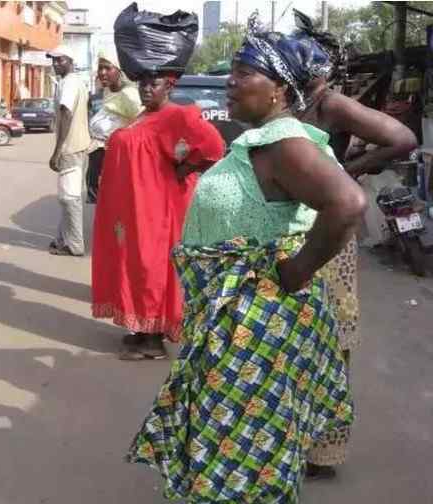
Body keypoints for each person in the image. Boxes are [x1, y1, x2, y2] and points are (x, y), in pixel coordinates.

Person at [126, 16, 367, 503]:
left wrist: (297, 270)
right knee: (234, 449)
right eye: (231, 70)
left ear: (278, 89)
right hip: (233, 320)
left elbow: (348, 203)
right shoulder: (261, 143)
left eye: (244, 72)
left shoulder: (284, 145)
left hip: (256, 328)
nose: (229, 82)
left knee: (242, 455)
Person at [292, 10, 418, 478]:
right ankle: (290, 436)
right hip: (293, 229)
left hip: (332, 231)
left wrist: (351, 171)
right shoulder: (294, 101)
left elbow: (402, 138)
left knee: (332, 337)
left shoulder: (330, 104)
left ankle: (324, 448)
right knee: (294, 337)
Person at [91, 71, 224, 360]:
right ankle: (141, 329)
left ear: (169, 86)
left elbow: (213, 147)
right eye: (142, 83)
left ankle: (153, 340)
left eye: (154, 84)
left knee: (150, 267)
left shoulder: (177, 116)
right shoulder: (144, 115)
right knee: (134, 264)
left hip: (156, 208)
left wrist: (183, 170)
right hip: (133, 209)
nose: (146, 89)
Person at [47, 44, 91, 256]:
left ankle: (74, 245)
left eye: (60, 60)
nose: (56, 64)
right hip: (79, 145)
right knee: (67, 195)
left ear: (71, 62)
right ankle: (62, 238)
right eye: (54, 60)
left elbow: (66, 114)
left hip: (71, 148)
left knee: (69, 197)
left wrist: (57, 151)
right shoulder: (75, 82)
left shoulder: (69, 83)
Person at [86, 46, 142, 204]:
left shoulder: (129, 94)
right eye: (100, 68)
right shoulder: (109, 92)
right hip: (100, 165)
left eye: (107, 68)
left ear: (119, 70)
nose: (102, 72)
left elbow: (143, 126)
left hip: (116, 165)